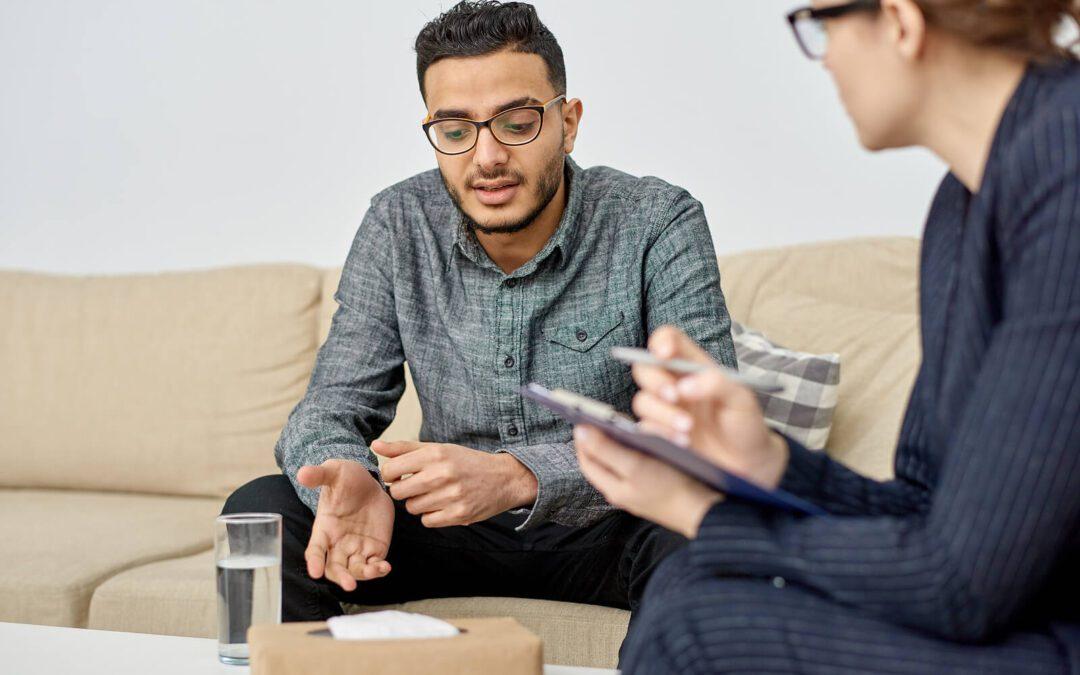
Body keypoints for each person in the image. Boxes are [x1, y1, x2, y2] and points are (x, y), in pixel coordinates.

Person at [573, 0, 1080, 672]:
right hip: (1018, 611)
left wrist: (703, 511)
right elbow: (923, 508)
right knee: (688, 580)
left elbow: (962, 583)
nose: (824, 57)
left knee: (698, 628)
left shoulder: (1065, 172)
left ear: (900, 21)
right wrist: (768, 463)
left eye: (821, 23)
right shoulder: (961, 208)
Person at [221, 0, 738, 634]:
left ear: (568, 123)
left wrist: (518, 476)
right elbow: (330, 409)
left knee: (710, 529)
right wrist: (350, 475)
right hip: (443, 530)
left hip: (607, 526)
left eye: (516, 122)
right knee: (260, 512)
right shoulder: (398, 223)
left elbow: (705, 437)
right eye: (457, 129)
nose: (486, 156)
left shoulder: (657, 222)